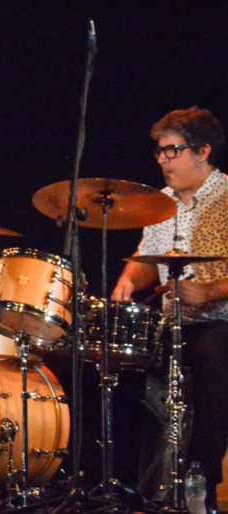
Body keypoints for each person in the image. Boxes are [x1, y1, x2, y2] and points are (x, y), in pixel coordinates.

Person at [112, 107, 228, 511]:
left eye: (171, 151)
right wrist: (128, 280)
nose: (162, 160)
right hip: (170, 322)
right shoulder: (159, 204)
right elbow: (147, 257)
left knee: (213, 357)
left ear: (203, 152)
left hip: (218, 321)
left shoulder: (227, 197)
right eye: (159, 152)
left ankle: (202, 481)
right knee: (116, 362)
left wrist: (209, 291)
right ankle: (122, 481)